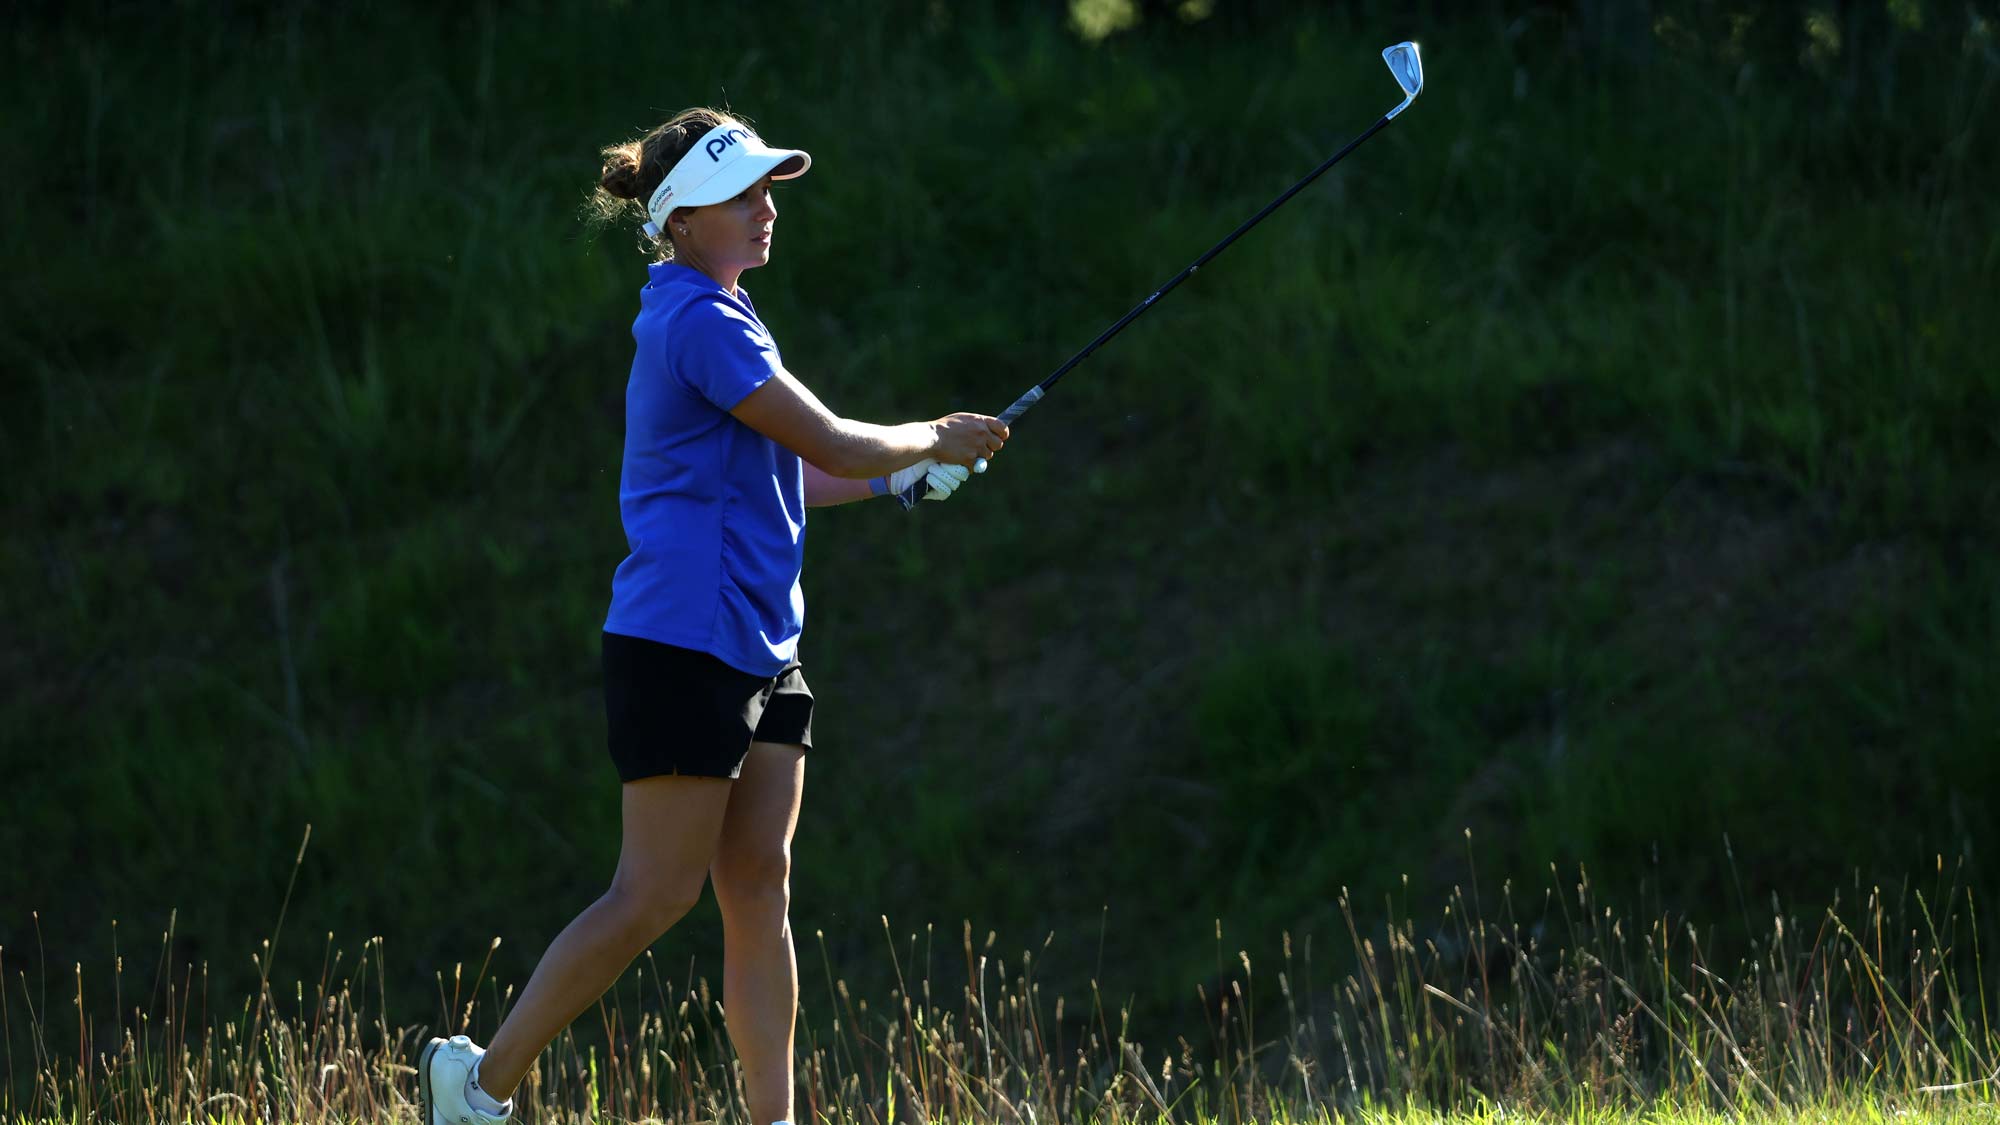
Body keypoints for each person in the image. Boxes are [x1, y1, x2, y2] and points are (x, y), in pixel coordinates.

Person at [418, 106, 1009, 1125]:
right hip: (679, 643)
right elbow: (830, 435)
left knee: (759, 885)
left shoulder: (728, 314)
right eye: (744, 194)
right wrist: (928, 440)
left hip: (762, 646)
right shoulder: (693, 320)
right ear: (683, 217)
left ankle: (772, 1120)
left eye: (769, 191)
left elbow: (794, 471)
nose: (766, 210)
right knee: (654, 895)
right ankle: (474, 1086)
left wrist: (898, 481)